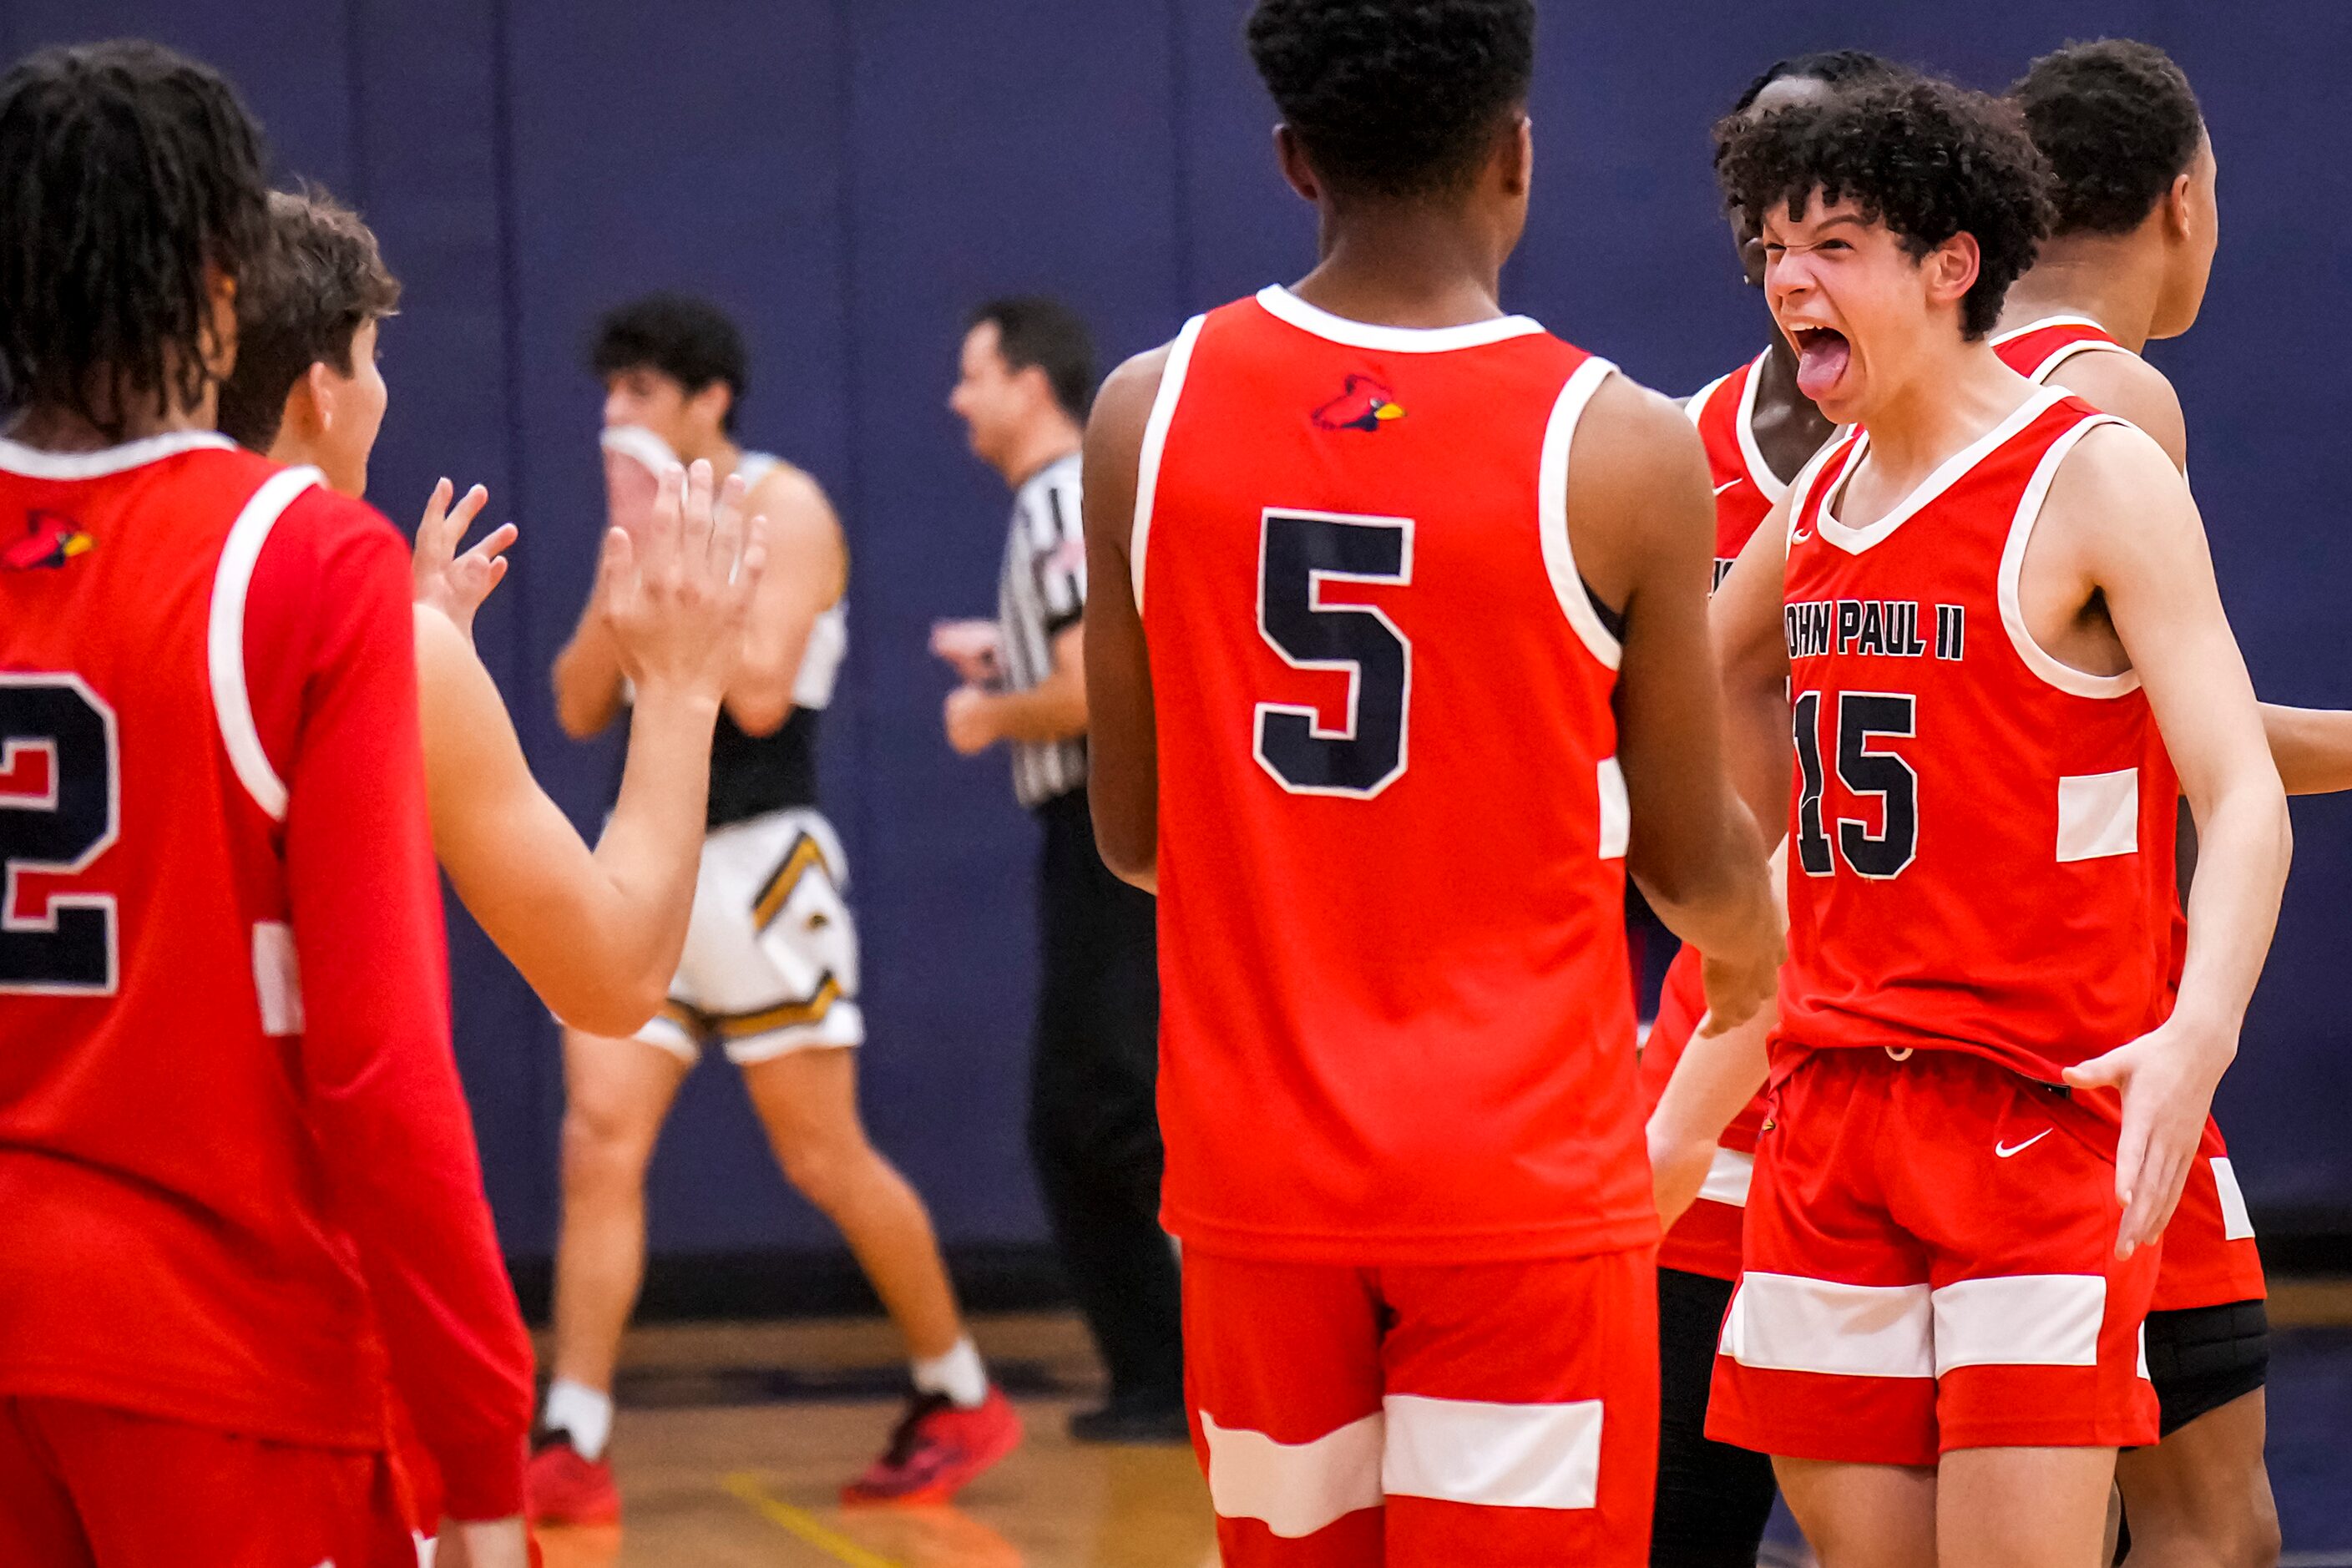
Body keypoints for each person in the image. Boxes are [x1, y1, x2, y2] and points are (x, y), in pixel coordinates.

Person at [1082, 1, 1783, 1560]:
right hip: (1518, 1185)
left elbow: (1133, 838)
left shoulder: (1146, 412)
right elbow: (1686, 859)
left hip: (1254, 1186)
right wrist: (1754, 943)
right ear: (1514, 155)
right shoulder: (1622, 443)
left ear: (1292, 159)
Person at [1704, 75, 2290, 1568]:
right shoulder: (1825, 487)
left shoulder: (2089, 474)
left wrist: (2200, 1021)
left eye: (1831, 243)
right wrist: (1732, 888)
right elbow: (1695, 678)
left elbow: (2234, 791)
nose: (1786, 279)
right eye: (1771, 245)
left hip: (2032, 1103)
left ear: (1950, 264)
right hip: (1829, 1109)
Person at [0, 40, 532, 1567]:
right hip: (210, 1353)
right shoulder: (299, 558)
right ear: (220, 280)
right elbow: (379, 1068)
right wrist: (485, 1458)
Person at [544, 294, 1018, 1519]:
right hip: (645, 853)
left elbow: (755, 694)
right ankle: (573, 1430)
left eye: (639, 390)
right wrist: (631, 551)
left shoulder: (785, 502)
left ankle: (955, 1383)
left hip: (761, 862)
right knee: (598, 1142)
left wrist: (668, 551)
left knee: (820, 1151)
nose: (616, 414)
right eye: (610, 393)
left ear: (708, 399)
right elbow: (577, 702)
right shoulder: (634, 519)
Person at [2000, 40, 2352, 1568]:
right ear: (2184, 202)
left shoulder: (1939, 385)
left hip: (1969, 1028)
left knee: (2185, 1516)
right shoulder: (2109, 404)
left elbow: (2143, 717)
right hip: (2071, 1040)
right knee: (2177, 1528)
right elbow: (2212, 756)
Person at [218, 190, 762, 1044]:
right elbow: (611, 980)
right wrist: (681, 689)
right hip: (264, 1160)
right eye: (373, 355)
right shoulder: (362, 627)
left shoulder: (67, 570)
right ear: (321, 394)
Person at [1640, 48, 1904, 1568]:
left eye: (1835, 212)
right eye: (1769, 218)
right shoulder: (1672, 456)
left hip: (1943, 1054)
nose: (1794, 255)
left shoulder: (2024, 448)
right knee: (1680, 1518)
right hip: (1735, 1043)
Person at [936, 296, 1187, 1443]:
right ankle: (1155, 1372)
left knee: (1106, 1107)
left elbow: (1096, 686)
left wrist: (990, 712)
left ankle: (1179, 1367)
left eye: (974, 374)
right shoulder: (1057, 507)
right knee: (1078, 1114)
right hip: (1087, 831)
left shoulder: (1054, 503)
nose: (958, 397)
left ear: (1030, 385)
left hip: (1104, 827)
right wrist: (1007, 658)